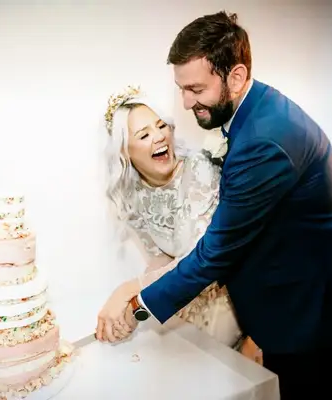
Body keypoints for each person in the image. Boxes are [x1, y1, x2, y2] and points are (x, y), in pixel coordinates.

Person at [95, 11, 332, 399]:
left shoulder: (261, 144)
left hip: (318, 312)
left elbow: (216, 254)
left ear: (235, 76)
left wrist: (137, 304)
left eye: (196, 89)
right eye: (181, 89)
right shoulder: (256, 110)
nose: (185, 102)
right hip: (298, 295)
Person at [99, 85, 262, 362]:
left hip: (234, 294)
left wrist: (128, 290)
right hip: (184, 296)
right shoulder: (132, 195)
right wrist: (132, 306)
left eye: (161, 126)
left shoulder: (201, 170)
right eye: (144, 135)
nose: (159, 137)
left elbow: (198, 259)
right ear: (125, 152)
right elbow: (162, 258)